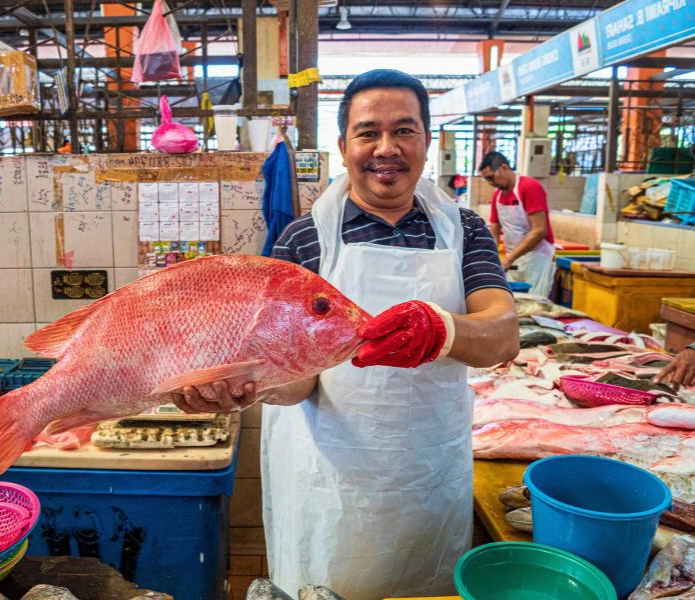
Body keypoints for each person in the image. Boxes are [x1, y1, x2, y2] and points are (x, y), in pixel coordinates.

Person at [172, 69, 519, 599]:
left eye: (405, 130)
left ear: (428, 140)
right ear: (343, 146)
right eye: (368, 132)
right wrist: (245, 388)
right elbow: (295, 384)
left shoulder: (464, 228)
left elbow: (503, 335)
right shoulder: (302, 239)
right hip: (330, 478)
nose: (387, 148)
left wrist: (441, 328)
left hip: (426, 470)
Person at [479, 151, 556, 297]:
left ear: (503, 168)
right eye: (486, 180)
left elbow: (539, 230)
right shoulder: (497, 195)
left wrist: (509, 259)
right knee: (513, 302)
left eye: (491, 177)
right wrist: (492, 259)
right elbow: (494, 231)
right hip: (513, 259)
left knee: (534, 304)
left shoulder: (529, 187)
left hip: (537, 259)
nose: (490, 183)